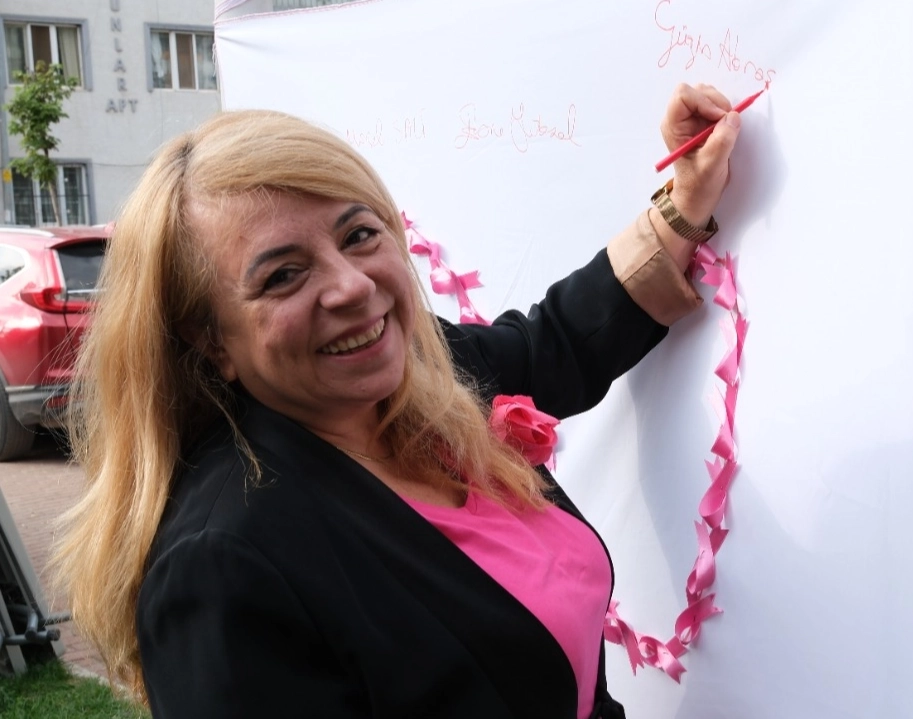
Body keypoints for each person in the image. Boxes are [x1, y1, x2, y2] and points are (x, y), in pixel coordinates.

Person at [51, 83, 742, 718]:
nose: (352, 285)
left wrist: (683, 202)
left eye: (358, 235)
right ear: (210, 340)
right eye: (284, 275)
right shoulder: (224, 564)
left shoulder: (419, 377)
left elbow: (557, 343)